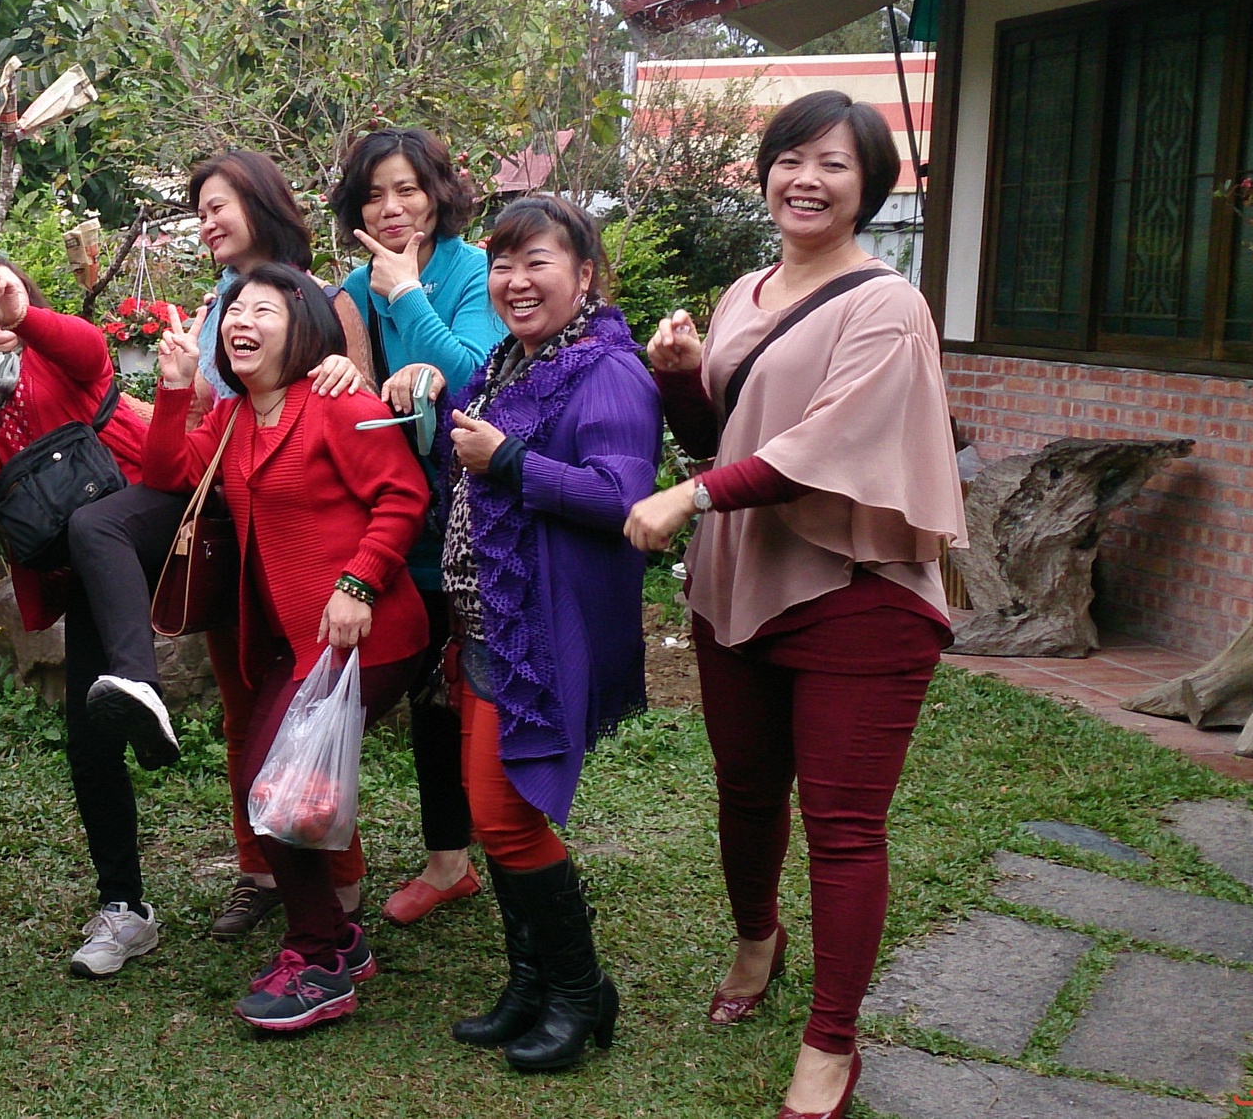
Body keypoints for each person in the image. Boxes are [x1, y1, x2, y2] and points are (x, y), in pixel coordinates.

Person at [624, 91, 964, 1119]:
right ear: (766, 170)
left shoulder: (888, 307)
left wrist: (690, 498)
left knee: (844, 827)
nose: (807, 179)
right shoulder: (746, 290)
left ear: (871, 187)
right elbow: (726, 436)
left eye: (835, 163)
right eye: (791, 158)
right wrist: (681, 381)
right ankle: (754, 939)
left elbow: (822, 447)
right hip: (743, 581)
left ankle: (830, 1043)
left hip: (857, 591)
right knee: (744, 789)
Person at [71, 150, 379, 942]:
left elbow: (356, 398)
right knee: (246, 711)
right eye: (199, 209)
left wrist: (340, 372)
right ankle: (259, 871)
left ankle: (336, 879)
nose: (207, 221)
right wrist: (171, 385)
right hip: (228, 524)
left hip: (302, 534)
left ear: (262, 203)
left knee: (305, 720)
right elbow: (205, 427)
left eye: (219, 206)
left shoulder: (319, 296)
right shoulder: (220, 303)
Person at [144, 263, 430, 1032]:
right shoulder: (234, 417)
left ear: (300, 328)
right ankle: (336, 941)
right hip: (296, 650)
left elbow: (404, 495)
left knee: (282, 792)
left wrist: (359, 582)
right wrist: (175, 386)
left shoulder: (337, 402)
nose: (242, 320)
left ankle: (320, 961)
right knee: (268, 788)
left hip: (368, 636)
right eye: (234, 309)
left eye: (263, 310)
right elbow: (168, 471)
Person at [437, 196, 658, 1072]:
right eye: (502, 264)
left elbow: (624, 499)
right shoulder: (511, 363)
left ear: (585, 274)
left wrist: (510, 461)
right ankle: (530, 983)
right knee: (494, 814)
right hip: (486, 623)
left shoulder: (607, 371)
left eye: (537, 262)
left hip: (537, 628)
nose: (515, 281)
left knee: (506, 816)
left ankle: (579, 989)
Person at [0, 243, 159, 976]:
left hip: (157, 520)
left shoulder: (55, 354)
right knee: (90, 735)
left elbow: (92, 351)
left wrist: (23, 315)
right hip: (87, 573)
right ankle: (124, 908)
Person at [331, 128, 503, 927]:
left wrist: (407, 295)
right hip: (402, 512)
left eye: (407, 189)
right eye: (374, 195)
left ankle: (503, 838)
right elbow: (346, 388)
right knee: (432, 688)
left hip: (479, 514)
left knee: (483, 685)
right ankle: (449, 859)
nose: (392, 208)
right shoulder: (352, 288)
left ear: (438, 194)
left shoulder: (474, 271)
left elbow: (476, 375)